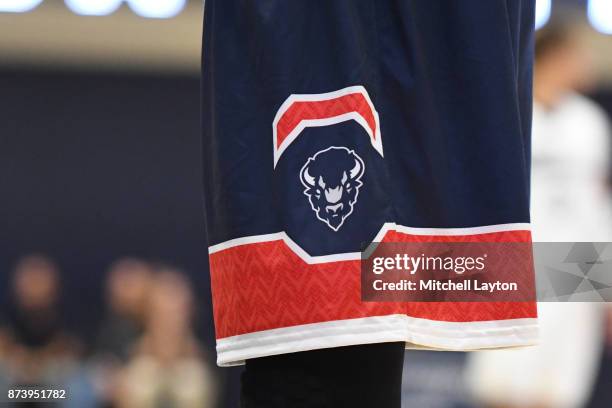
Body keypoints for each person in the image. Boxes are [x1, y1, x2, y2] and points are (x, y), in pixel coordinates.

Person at [201, 1, 537, 406]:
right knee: (332, 331)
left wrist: (595, 287)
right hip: (485, 275)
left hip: (516, 275)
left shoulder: (586, 126)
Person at [466, 22, 612, 408]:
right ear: (552, 55)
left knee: (562, 383)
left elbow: (598, 199)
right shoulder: (510, 110)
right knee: (503, 381)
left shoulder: (589, 121)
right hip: (519, 258)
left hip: (580, 260)